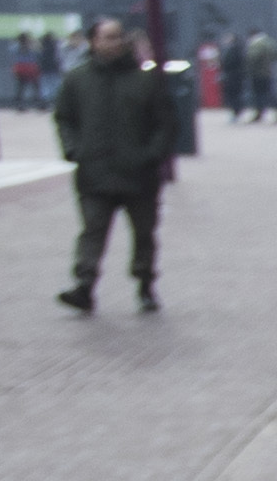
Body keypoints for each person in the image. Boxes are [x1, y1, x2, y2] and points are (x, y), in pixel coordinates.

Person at [48, 19, 189, 314]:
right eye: (108, 37)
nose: (115, 43)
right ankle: (84, 285)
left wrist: (151, 155)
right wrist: (74, 150)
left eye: (118, 37)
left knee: (144, 233)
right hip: (94, 172)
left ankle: (145, 284)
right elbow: (64, 118)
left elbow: (165, 123)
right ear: (94, 42)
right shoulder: (77, 80)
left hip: (139, 174)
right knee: (92, 231)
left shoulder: (145, 81)